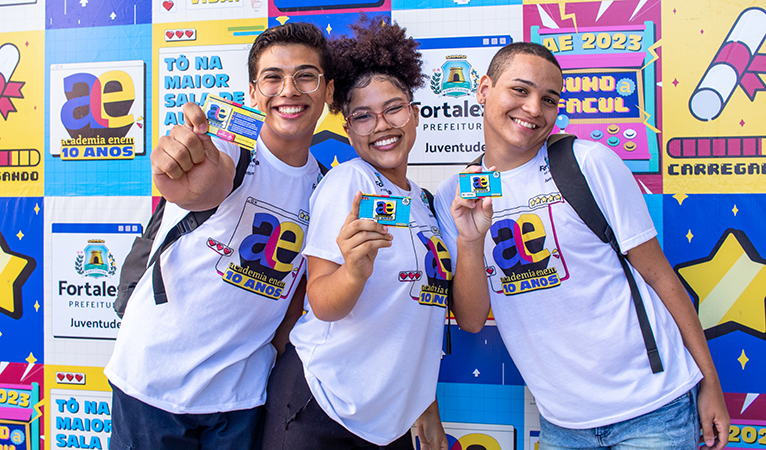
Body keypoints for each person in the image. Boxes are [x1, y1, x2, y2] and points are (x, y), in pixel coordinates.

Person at [435, 42, 730, 450]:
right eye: (520, 90)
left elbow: (662, 278)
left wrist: (711, 384)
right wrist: (470, 242)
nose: (534, 109)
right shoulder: (456, 195)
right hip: (562, 422)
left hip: (653, 409)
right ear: (484, 89)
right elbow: (469, 320)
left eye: (549, 99)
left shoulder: (588, 162)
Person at [104, 22, 334, 449]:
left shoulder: (325, 188)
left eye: (306, 76)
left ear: (328, 91)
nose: (289, 89)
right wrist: (187, 177)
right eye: (272, 77)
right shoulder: (228, 149)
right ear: (252, 93)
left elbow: (299, 294)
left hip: (239, 399)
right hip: (152, 383)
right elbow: (209, 179)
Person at [261, 15, 449, 450]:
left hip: (391, 419)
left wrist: (427, 407)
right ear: (347, 129)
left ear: (415, 114)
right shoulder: (349, 183)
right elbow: (323, 303)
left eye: (394, 108)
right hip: (320, 407)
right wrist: (354, 272)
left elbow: (415, 319)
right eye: (362, 116)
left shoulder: (424, 203)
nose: (381, 125)